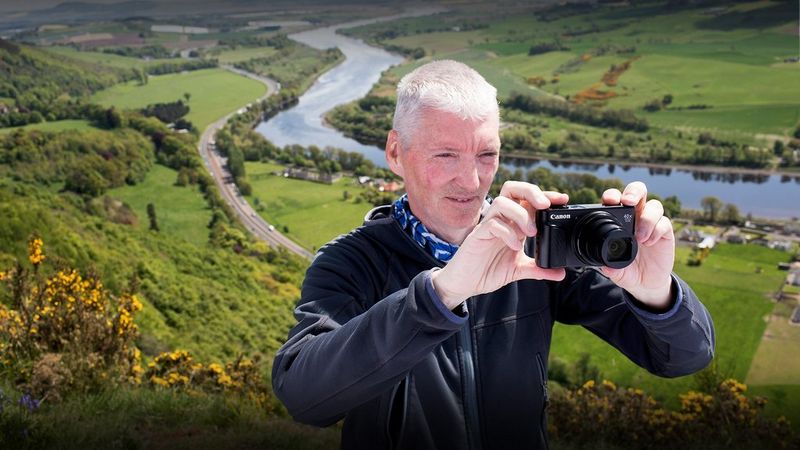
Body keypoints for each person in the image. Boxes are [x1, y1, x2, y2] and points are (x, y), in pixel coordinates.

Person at [272, 60, 715, 450]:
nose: (471, 180)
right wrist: (441, 294)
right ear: (394, 152)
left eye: (487, 154)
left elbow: (684, 358)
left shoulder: (535, 248)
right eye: (445, 154)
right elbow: (305, 397)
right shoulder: (350, 263)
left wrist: (657, 293)